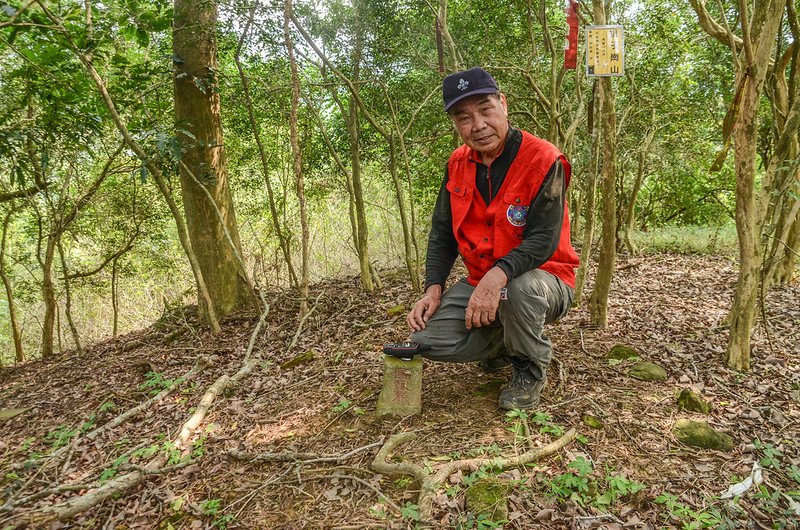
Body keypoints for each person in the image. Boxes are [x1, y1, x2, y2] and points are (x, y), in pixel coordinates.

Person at [407, 67, 579, 410]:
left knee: (517, 290)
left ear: (503, 104)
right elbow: (442, 232)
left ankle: (528, 368)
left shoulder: (544, 158)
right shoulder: (457, 163)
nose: (478, 125)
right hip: (480, 280)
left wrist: (496, 279)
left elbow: (544, 239)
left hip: (545, 279)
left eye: (486, 110)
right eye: (464, 117)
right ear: (456, 124)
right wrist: (433, 288)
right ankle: (506, 342)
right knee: (425, 342)